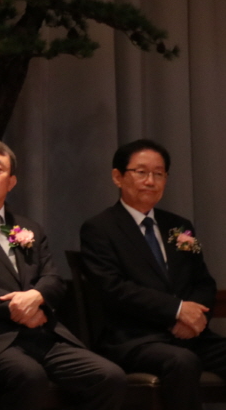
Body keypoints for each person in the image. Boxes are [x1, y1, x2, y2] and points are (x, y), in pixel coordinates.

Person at [0, 138, 125, 410]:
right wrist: (14, 306)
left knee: (108, 376)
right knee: (28, 376)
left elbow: (53, 279)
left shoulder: (29, 227)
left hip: (40, 332)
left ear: (11, 182)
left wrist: (36, 297)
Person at [80, 139, 226, 410]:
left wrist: (194, 318)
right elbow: (114, 289)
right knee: (181, 362)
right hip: (135, 338)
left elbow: (203, 281)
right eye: (141, 172)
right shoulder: (100, 229)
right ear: (118, 177)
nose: (150, 181)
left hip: (190, 334)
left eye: (159, 174)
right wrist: (177, 310)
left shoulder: (178, 226)